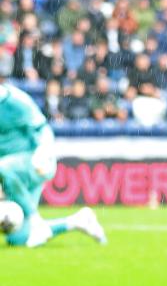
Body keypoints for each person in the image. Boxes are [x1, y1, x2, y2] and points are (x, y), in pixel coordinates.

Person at [0, 82, 106, 248]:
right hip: (12, 173)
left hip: (34, 162)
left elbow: (43, 129)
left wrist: (42, 152)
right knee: (19, 238)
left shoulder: (16, 101)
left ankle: (35, 219)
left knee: (4, 168)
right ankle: (77, 221)